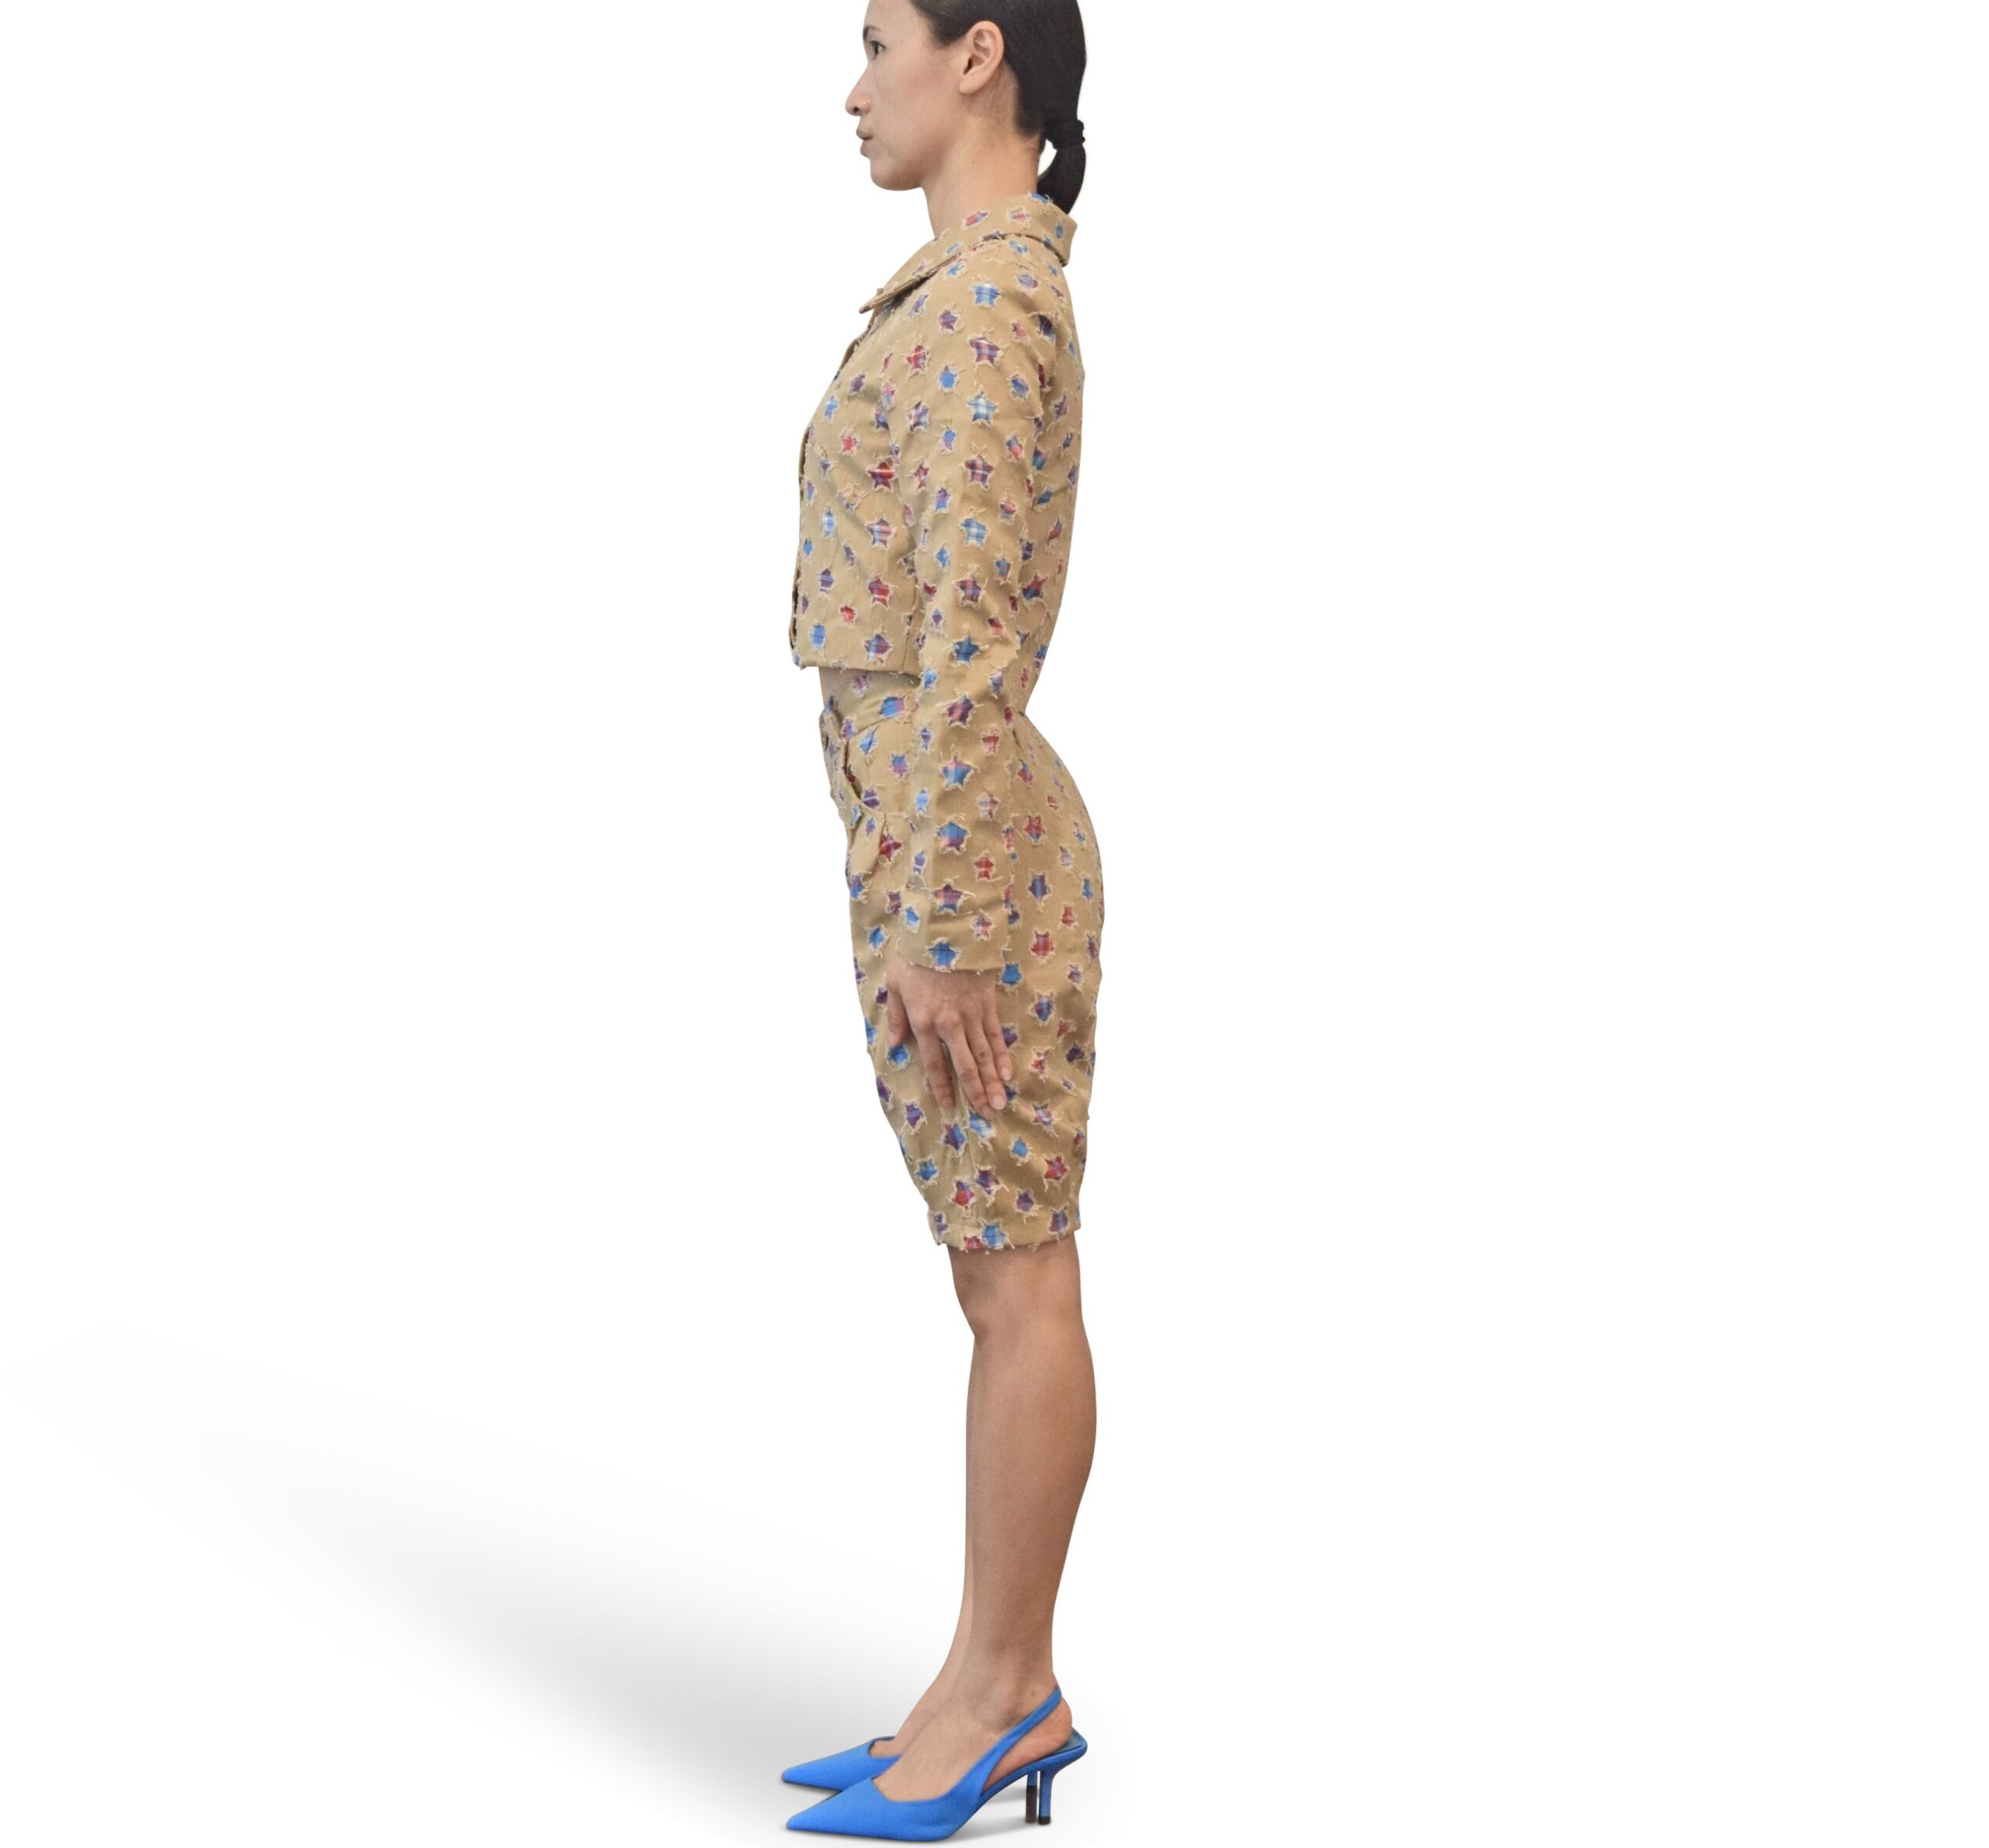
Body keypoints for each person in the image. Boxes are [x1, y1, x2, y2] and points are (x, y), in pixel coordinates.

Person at [780, 2, 1101, 1839]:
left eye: (877, 38)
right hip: (927, 847)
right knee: (993, 1270)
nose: (853, 86)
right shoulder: (960, 290)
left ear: (978, 56)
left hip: (960, 870)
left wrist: (945, 921)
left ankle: (1006, 1692)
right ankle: (975, 1675)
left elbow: (972, 639)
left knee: (1017, 1271)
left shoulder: (985, 305)